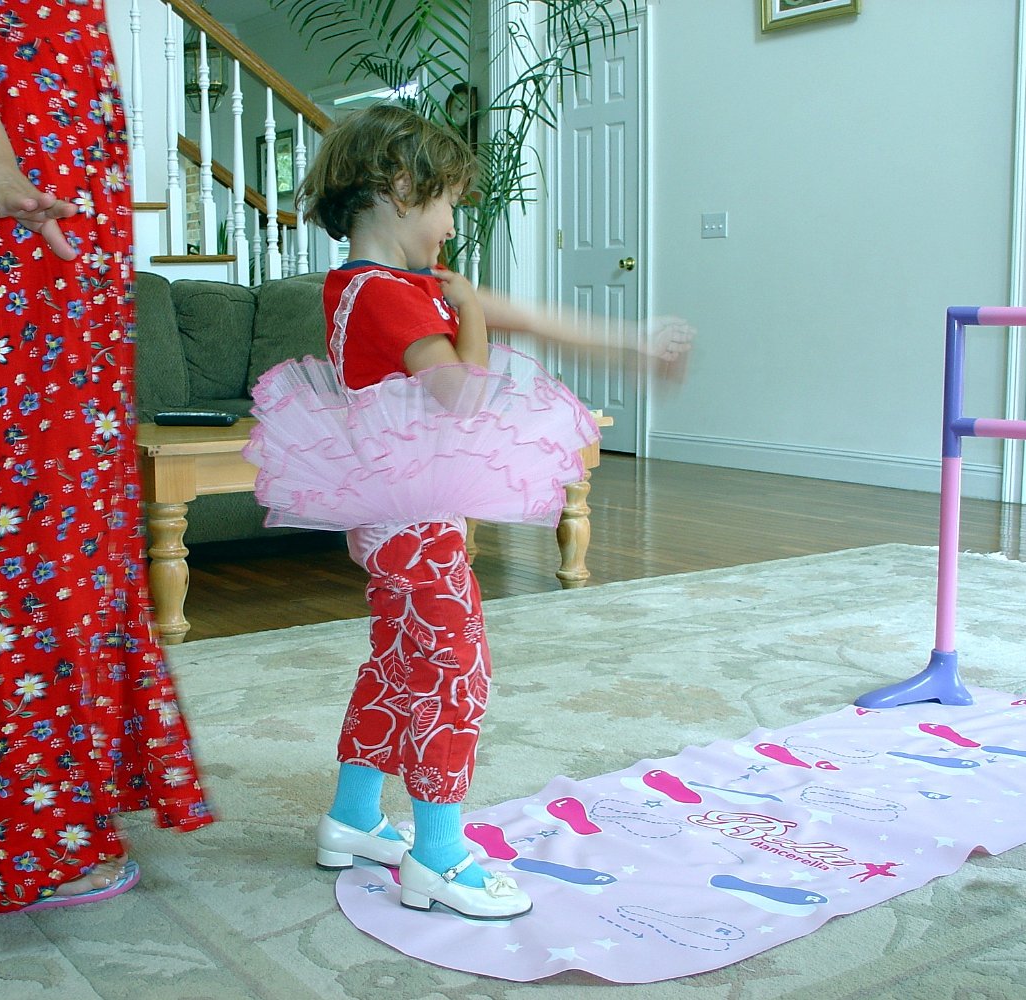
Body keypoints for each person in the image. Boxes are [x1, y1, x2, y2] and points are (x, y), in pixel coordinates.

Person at [245, 103, 692, 920]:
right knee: (454, 671)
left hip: (394, 517)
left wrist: (627, 340)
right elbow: (462, 397)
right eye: (448, 203)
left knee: (396, 660)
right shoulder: (388, 296)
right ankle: (439, 855)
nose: (452, 223)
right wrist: (474, 322)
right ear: (399, 188)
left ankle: (352, 817)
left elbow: (521, 317)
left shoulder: (376, 286)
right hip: (413, 522)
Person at [0, 0, 212, 919]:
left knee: (71, 511)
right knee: (24, 510)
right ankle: (29, 837)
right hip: (16, 178)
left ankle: (72, 795)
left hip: (58, 170)